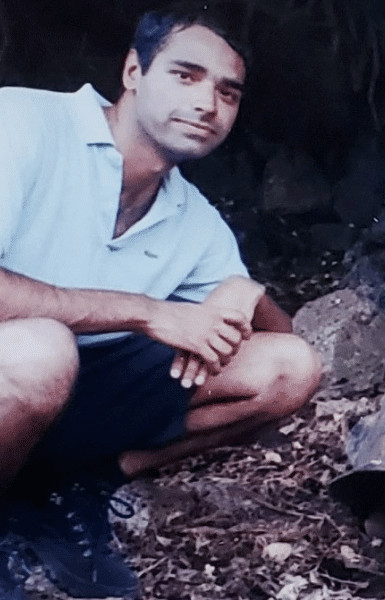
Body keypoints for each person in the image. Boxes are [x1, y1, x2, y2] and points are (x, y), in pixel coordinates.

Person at [0, 3, 322, 599]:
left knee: (288, 369)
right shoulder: (21, 123)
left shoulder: (191, 216)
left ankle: (69, 491)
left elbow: (288, 343)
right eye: (185, 75)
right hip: (18, 365)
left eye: (228, 92)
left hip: (75, 391)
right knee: (40, 350)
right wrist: (150, 312)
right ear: (132, 72)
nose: (207, 103)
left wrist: (247, 294)